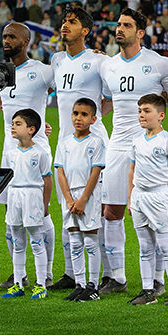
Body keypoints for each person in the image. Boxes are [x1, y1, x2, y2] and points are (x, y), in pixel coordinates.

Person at [98, 8, 168, 297]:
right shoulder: (108, 66)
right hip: (118, 146)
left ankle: (159, 281)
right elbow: (106, 103)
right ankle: (117, 277)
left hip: (150, 146)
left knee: (156, 218)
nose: (119, 29)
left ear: (140, 32)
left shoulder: (160, 63)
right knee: (111, 211)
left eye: (126, 25)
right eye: (118, 24)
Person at [49, 6, 109, 291]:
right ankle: (72, 274)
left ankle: (107, 275)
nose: (65, 25)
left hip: (92, 145)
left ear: (85, 31)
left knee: (94, 210)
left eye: (72, 22)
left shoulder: (99, 60)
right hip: (65, 142)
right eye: (64, 21)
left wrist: (92, 122)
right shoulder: (57, 60)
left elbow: (111, 97)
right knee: (68, 208)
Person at [0, 22, 54, 290]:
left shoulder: (42, 71)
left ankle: (47, 272)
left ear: (26, 41)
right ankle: (17, 274)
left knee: (42, 212)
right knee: (11, 214)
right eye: (4, 36)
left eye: (12, 36)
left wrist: (43, 124)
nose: (6, 41)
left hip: (36, 150)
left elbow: (67, 92)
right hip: (9, 152)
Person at [127, 94, 168, 307]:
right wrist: (130, 198)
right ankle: (148, 291)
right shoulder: (136, 140)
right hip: (139, 197)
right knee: (144, 247)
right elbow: (132, 169)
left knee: (166, 246)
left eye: (147, 111)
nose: (141, 115)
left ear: (161, 116)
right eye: (139, 111)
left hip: (160, 197)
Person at [55, 98, 106, 302]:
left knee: (90, 240)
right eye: (76, 113)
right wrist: (68, 199)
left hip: (88, 195)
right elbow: (60, 171)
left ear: (93, 119)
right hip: (69, 196)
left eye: (84, 114)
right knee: (74, 241)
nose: (79, 118)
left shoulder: (96, 142)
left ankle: (93, 286)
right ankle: (79, 284)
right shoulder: (64, 142)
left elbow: (95, 171)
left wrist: (83, 199)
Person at [1, 109, 53, 300]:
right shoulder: (10, 153)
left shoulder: (40, 153)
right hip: (14, 195)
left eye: (18, 124)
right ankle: (18, 283)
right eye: (13, 124)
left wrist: (45, 204)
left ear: (31, 129)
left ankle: (41, 284)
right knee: (17, 243)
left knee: (36, 242)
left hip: (32, 196)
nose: (13, 127)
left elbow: (47, 180)